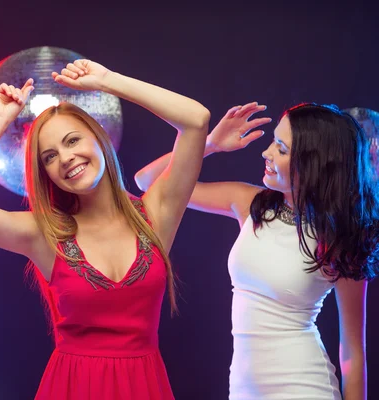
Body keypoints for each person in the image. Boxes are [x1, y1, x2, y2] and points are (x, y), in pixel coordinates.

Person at [0, 59, 211, 399]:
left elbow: (196, 120)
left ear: (100, 138)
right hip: (72, 388)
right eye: (49, 157)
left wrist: (109, 81)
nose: (65, 158)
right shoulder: (44, 234)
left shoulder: (157, 214)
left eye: (72, 141)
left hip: (145, 386)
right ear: (46, 174)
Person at [135, 102, 377, 399]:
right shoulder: (251, 204)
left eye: (281, 149)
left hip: (305, 387)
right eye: (273, 142)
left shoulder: (340, 238)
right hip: (243, 388)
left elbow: (352, 351)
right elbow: (147, 182)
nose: (266, 153)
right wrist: (209, 144)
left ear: (315, 164)